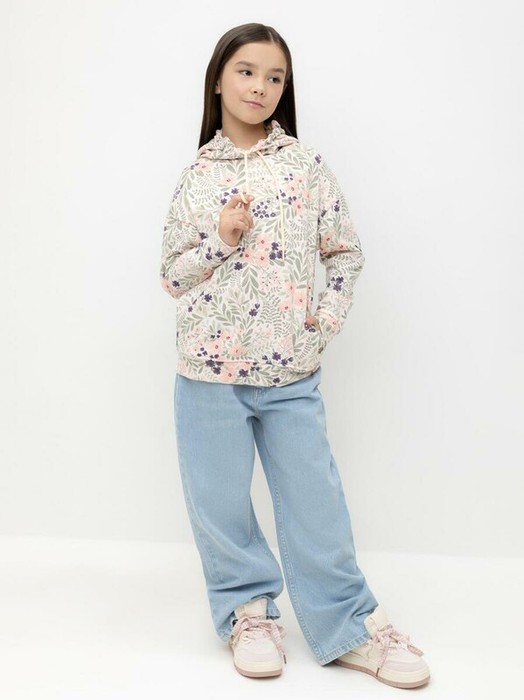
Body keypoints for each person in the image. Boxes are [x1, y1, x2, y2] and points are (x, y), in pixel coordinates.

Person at [159, 22, 431, 688]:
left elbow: (345, 253)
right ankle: (249, 614)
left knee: (317, 504)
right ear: (218, 79)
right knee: (220, 507)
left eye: (275, 77)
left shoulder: (305, 168)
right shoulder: (196, 176)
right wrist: (222, 239)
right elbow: (172, 275)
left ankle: (351, 625)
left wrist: (321, 325)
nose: (260, 87)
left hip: (289, 371)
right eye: (247, 71)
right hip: (207, 372)